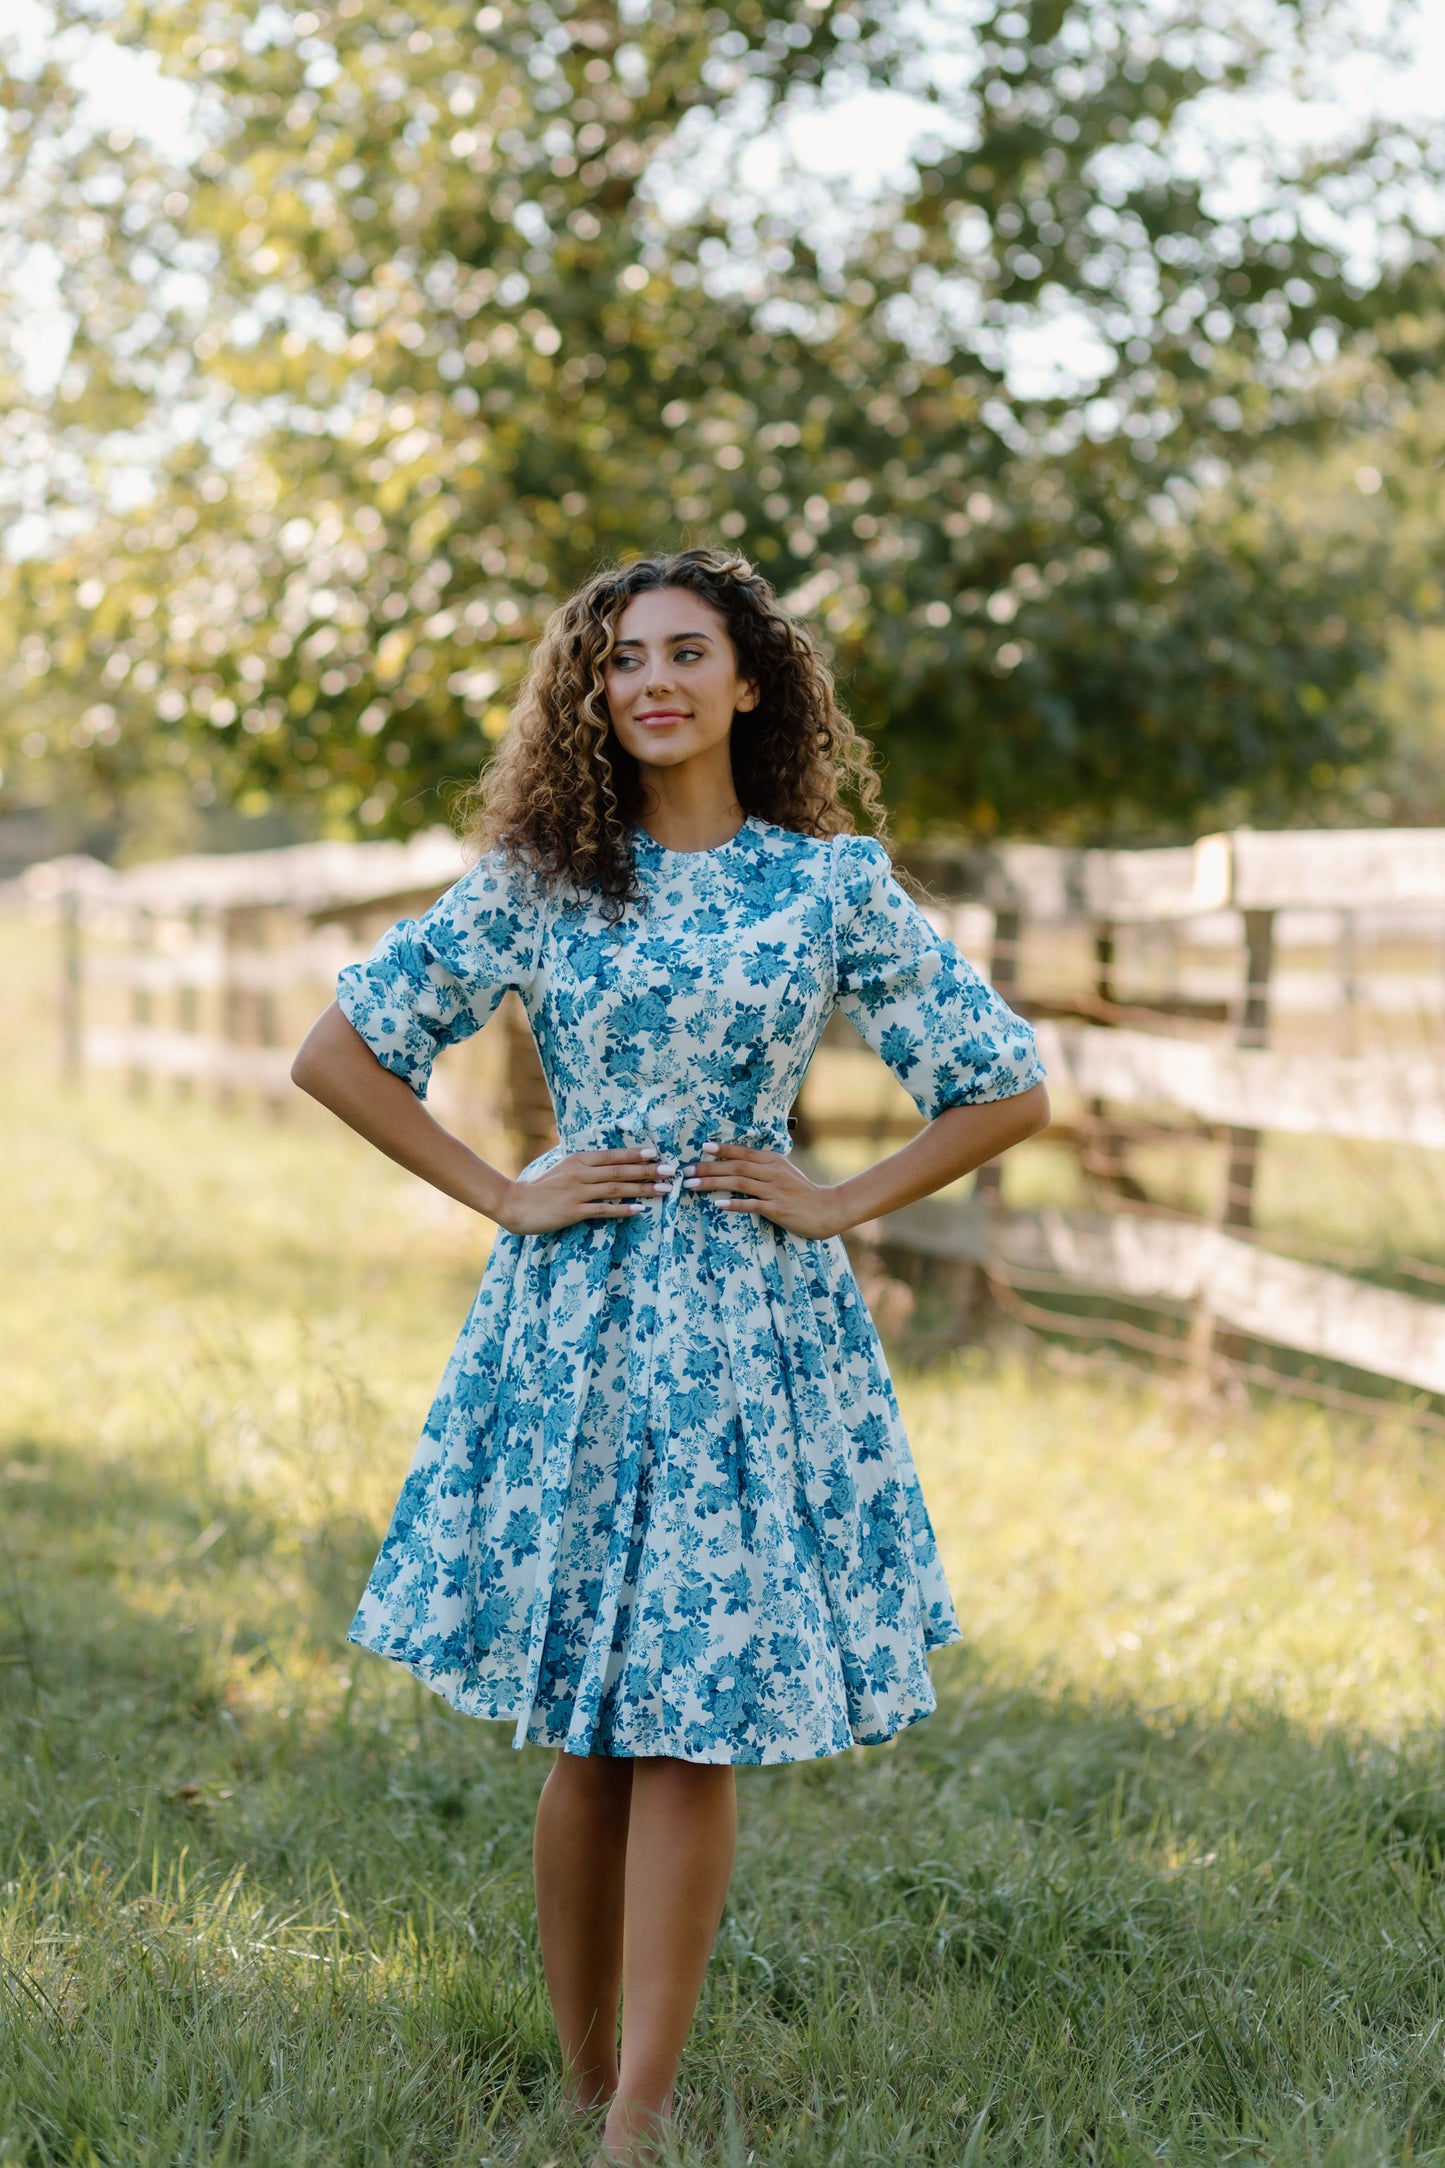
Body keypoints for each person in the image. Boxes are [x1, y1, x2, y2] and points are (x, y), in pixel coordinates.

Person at [291, 545, 1049, 2164]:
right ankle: (577, 2086)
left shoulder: (826, 886)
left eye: (686, 652)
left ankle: (638, 2115)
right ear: (593, 690)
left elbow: (1000, 1085)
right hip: (574, 1324)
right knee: (587, 1722)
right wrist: (505, 1190)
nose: (651, 681)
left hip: (754, 1326)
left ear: (747, 682)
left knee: (690, 1719)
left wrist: (838, 1197)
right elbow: (336, 1051)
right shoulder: (540, 881)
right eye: (622, 657)